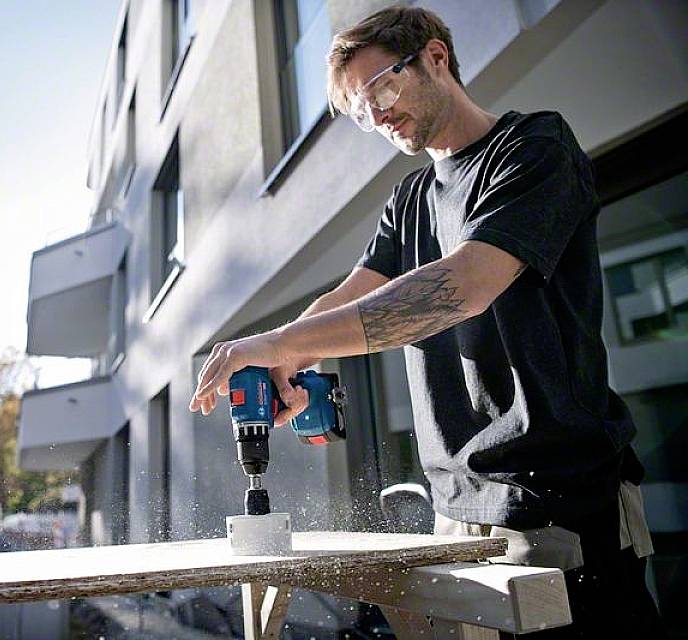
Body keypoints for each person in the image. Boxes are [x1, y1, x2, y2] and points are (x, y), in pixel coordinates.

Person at [187, 6, 665, 638]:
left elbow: (460, 289)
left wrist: (277, 340)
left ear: (436, 58)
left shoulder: (534, 148)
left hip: (559, 500)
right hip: (456, 507)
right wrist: (284, 359)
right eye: (360, 110)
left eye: (381, 87)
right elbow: (352, 294)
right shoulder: (409, 200)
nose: (377, 116)